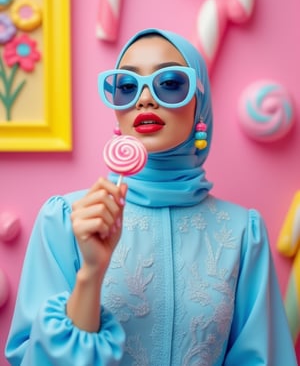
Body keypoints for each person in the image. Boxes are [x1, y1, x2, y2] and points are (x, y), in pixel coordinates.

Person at [5, 28, 297, 365]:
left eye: (170, 83)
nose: (145, 98)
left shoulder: (244, 232)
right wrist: (90, 274)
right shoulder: (68, 219)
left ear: (199, 104)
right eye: (127, 87)